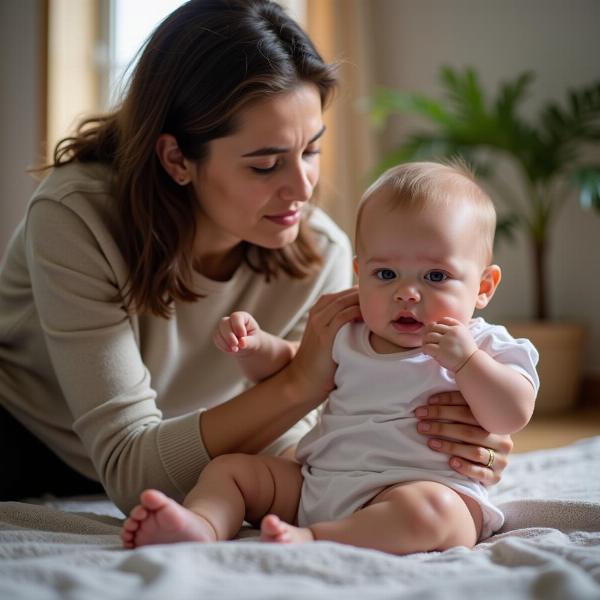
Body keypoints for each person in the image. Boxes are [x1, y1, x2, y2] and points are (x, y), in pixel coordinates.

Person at [0, 1, 511, 513]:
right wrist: (300, 380)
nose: (303, 188)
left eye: (311, 150)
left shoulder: (326, 256)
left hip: (188, 453)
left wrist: (446, 445)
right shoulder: (78, 217)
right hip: (27, 442)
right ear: (177, 158)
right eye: (266, 165)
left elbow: (305, 453)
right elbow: (130, 472)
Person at [121, 161, 538, 554]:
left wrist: (466, 362)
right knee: (231, 471)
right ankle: (202, 525)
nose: (407, 293)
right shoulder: (349, 330)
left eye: (435, 276)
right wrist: (254, 345)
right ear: (360, 272)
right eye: (385, 274)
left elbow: (512, 413)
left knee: (435, 514)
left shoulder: (484, 344)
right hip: (317, 483)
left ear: (484, 286)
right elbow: (287, 366)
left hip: (412, 490)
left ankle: (316, 538)